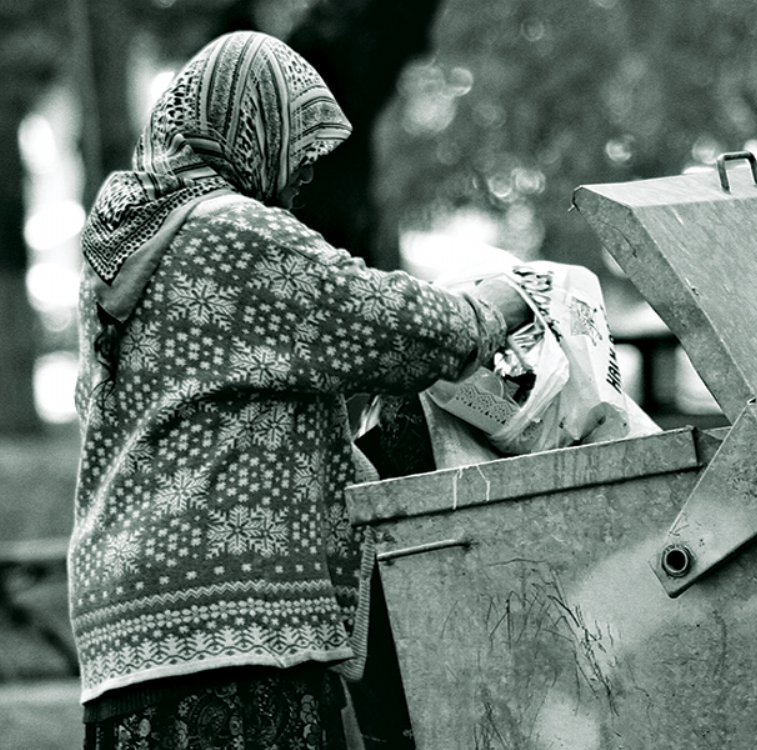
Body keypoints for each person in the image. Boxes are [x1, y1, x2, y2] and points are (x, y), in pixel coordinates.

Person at [71, 30, 529, 749]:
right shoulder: (233, 232)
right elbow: (388, 323)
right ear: (252, 130)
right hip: (233, 622)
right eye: (299, 149)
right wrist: (496, 310)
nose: (305, 176)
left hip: (128, 628)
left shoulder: (127, 246)